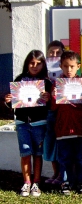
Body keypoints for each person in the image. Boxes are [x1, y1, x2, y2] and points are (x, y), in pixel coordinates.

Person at [4, 50, 52, 197]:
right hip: (22, 123)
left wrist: (48, 98)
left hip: (39, 123)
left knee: (37, 154)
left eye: (38, 63)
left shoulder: (47, 82)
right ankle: (26, 182)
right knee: (25, 153)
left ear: (43, 64)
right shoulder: (19, 79)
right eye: (32, 63)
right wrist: (8, 101)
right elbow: (13, 103)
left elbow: (51, 105)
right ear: (27, 64)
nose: (35, 66)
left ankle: (36, 182)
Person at [52, 51, 82, 195]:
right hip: (62, 130)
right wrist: (54, 96)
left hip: (79, 128)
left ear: (78, 66)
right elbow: (53, 108)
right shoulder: (57, 84)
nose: (69, 70)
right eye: (66, 66)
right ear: (61, 66)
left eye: (72, 66)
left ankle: (81, 182)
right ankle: (66, 183)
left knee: (80, 158)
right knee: (64, 159)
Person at [44, 41, 64, 186]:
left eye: (58, 53)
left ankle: (63, 174)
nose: (55, 55)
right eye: (52, 52)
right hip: (49, 112)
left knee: (63, 144)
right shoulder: (42, 73)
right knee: (51, 143)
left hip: (64, 112)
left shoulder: (68, 71)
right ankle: (56, 173)